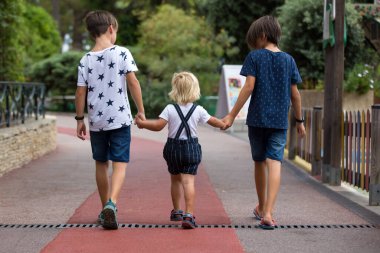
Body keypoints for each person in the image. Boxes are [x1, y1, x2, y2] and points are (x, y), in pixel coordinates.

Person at [222, 16, 306, 230]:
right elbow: (295, 94)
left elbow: (248, 87)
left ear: (261, 36)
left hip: (257, 119)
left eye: (254, 40)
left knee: (259, 161)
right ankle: (268, 212)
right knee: (275, 162)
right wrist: (299, 120)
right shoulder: (289, 60)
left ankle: (261, 206)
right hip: (279, 121)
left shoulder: (255, 57)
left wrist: (231, 115)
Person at [75, 10, 145, 230]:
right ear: (111, 29)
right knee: (120, 163)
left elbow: (80, 92)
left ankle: (104, 207)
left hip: (97, 121)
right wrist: (141, 110)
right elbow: (133, 82)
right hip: (120, 119)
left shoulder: (85, 60)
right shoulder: (122, 53)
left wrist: (79, 120)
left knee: (100, 163)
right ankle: (112, 204)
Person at [135, 72, 225, 229]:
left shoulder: (170, 108)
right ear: (194, 90)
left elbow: (157, 126)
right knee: (188, 181)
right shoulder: (198, 110)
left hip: (172, 149)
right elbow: (214, 122)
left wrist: (143, 124)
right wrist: (224, 123)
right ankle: (189, 215)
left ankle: (177, 211)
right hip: (191, 149)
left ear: (175, 89)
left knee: (175, 180)